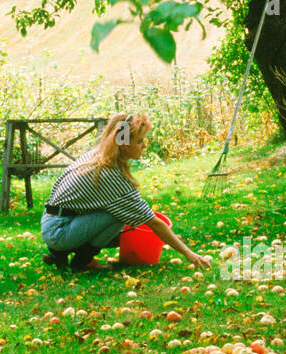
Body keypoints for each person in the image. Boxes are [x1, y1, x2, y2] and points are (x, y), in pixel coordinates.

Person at [40, 112, 211, 273]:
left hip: (53, 221)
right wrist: (190, 254)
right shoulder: (109, 175)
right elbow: (153, 222)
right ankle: (82, 261)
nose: (144, 145)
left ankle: (59, 255)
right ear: (123, 144)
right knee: (118, 215)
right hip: (59, 231)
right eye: (139, 141)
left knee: (121, 217)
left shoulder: (97, 156)